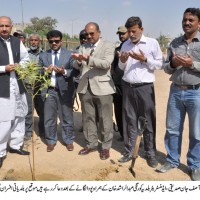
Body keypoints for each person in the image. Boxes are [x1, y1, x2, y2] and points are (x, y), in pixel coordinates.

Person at [156, 8, 200, 181]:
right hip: (175, 91)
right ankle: (172, 160)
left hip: (196, 92)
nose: (187, 22)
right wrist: (173, 64)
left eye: (191, 20)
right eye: (185, 19)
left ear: (199, 23)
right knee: (172, 129)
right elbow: (166, 68)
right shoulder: (174, 43)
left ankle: (195, 166)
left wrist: (192, 64)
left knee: (196, 132)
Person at [118, 16, 164, 167]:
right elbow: (121, 67)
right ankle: (129, 151)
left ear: (141, 29)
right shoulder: (125, 45)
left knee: (148, 122)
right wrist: (123, 61)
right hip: (128, 87)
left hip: (145, 88)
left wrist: (144, 59)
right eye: (129, 31)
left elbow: (159, 65)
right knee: (129, 121)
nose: (131, 34)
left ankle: (150, 153)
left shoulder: (152, 43)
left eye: (134, 31)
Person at [72, 22, 115, 160]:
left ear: (99, 32)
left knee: (105, 119)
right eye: (87, 34)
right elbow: (76, 65)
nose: (89, 36)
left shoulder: (108, 45)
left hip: (103, 88)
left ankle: (106, 147)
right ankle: (91, 144)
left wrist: (88, 59)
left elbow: (106, 64)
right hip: (85, 87)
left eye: (92, 33)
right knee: (88, 117)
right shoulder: (83, 47)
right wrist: (78, 61)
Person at [39, 30, 79, 152]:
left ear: (61, 41)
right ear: (48, 42)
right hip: (49, 91)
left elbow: (76, 71)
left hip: (65, 90)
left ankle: (68, 140)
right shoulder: (43, 55)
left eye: (56, 41)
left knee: (66, 117)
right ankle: (51, 141)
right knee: (49, 118)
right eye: (51, 41)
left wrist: (64, 71)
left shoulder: (69, 54)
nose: (54, 43)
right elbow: (38, 73)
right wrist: (45, 71)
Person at [0, 16, 30, 168]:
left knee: (20, 115)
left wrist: (21, 66)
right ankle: (0, 151)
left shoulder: (17, 42)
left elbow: (26, 59)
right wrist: (3, 68)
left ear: (11, 27)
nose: (4, 28)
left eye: (7, 26)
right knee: (4, 121)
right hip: (2, 86)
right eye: (1, 26)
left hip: (18, 85)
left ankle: (16, 145)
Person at [24, 33, 44, 141]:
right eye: (32, 40)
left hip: (40, 86)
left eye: (36, 40)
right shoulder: (25, 54)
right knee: (29, 109)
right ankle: (28, 132)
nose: (34, 42)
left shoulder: (44, 54)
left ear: (39, 42)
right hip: (28, 85)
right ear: (29, 41)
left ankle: (42, 130)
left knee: (41, 108)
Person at [111, 25, 129, 141]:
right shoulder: (117, 50)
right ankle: (123, 134)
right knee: (118, 110)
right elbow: (113, 67)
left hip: (128, 85)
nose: (121, 35)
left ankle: (131, 135)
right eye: (119, 34)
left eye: (123, 33)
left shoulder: (133, 49)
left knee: (129, 112)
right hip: (117, 85)